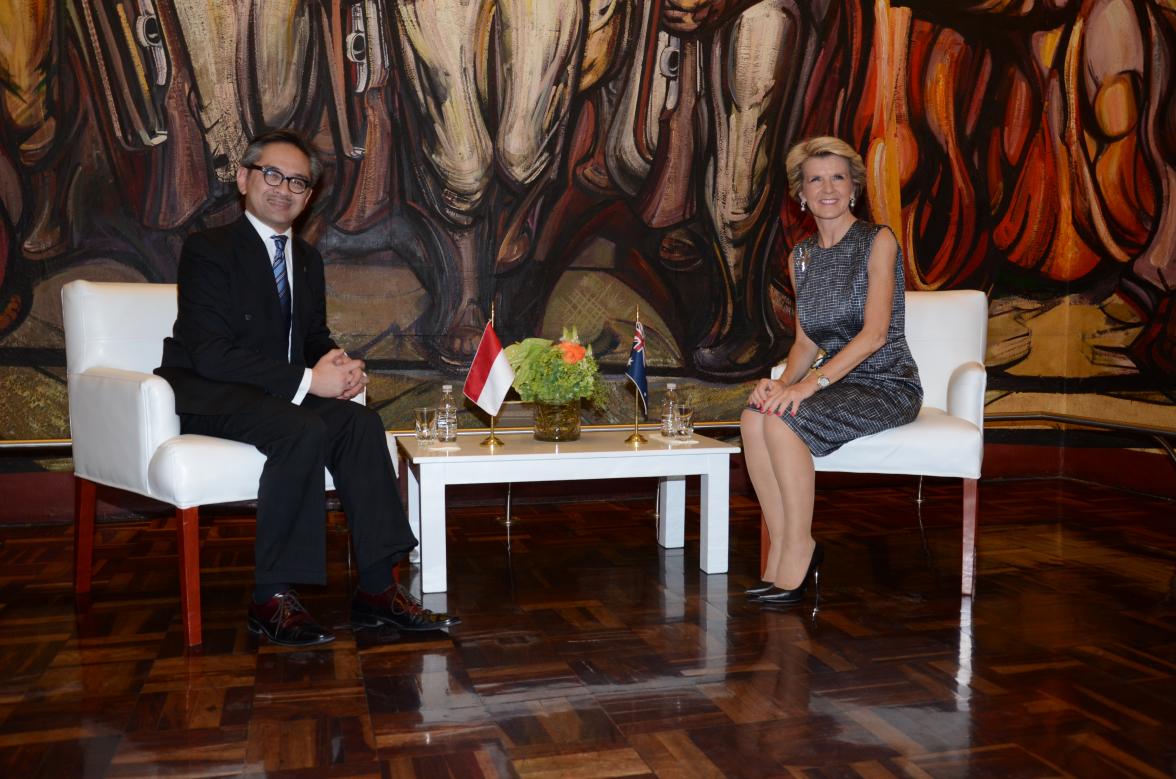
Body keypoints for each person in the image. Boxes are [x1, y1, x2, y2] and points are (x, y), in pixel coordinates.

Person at [156, 129, 458, 646]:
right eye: (272, 175)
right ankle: (270, 597)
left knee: (361, 424)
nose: (284, 189)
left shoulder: (307, 260)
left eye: (298, 182)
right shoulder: (208, 250)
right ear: (245, 178)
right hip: (211, 394)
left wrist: (337, 363)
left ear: (308, 195)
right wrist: (307, 381)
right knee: (299, 429)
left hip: (274, 397)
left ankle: (378, 589)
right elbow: (210, 352)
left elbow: (311, 335)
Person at [740, 136, 922, 606]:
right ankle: (782, 544)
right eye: (815, 178)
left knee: (784, 420)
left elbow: (875, 335)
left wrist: (806, 386)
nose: (827, 188)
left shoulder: (877, 241)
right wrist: (779, 384)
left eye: (837, 177)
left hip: (885, 382)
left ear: (853, 188)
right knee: (754, 416)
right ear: (800, 192)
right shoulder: (801, 257)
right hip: (832, 380)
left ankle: (802, 546)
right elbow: (806, 341)